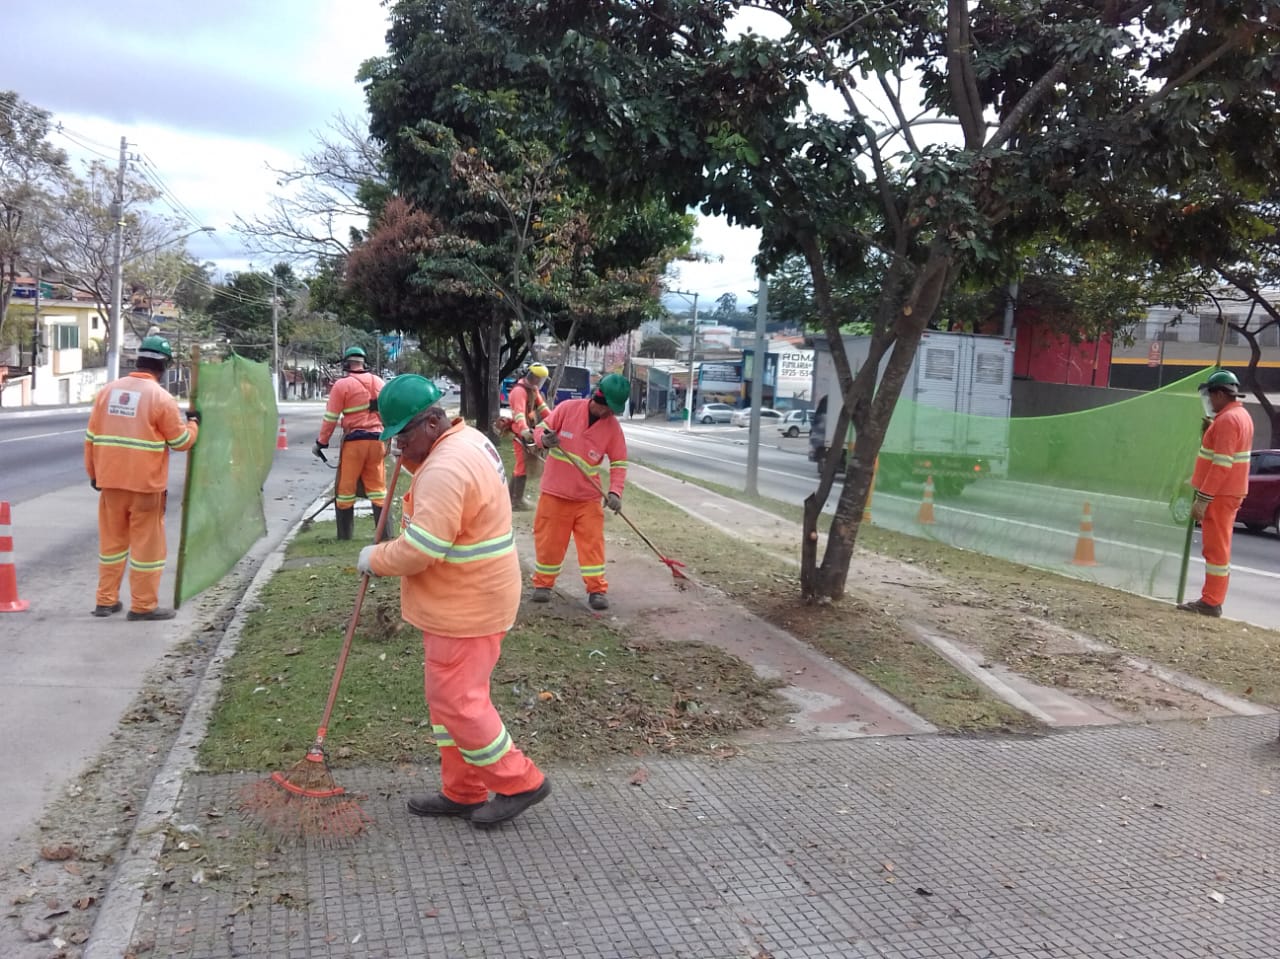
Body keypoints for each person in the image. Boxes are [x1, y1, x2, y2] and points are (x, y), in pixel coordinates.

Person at [357, 375, 550, 828]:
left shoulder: (445, 468)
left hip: (467, 605)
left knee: (460, 702)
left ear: (430, 422)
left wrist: (375, 558)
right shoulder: (467, 440)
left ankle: (520, 781)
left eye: (402, 436)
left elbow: (421, 549)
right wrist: (409, 459)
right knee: (447, 703)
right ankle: (463, 790)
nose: (398, 447)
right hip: (465, 599)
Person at [84, 335, 199, 621]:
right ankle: (143, 606)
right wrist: (195, 424)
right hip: (145, 487)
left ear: (138, 361)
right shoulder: (161, 398)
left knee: (112, 545)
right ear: (164, 366)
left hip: (110, 482)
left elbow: (91, 439)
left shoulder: (107, 392)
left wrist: (94, 474)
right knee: (147, 549)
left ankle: (105, 601)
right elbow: (181, 441)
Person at [530, 373, 630, 611]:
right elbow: (539, 431)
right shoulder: (567, 409)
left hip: (588, 498)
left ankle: (596, 590)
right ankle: (543, 585)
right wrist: (545, 439)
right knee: (549, 544)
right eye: (608, 408)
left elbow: (619, 462)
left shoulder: (613, 429)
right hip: (555, 493)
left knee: (592, 546)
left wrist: (615, 492)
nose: (609, 414)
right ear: (597, 397)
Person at [1178, 369, 1255, 617]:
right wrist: (1210, 433)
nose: (1209, 401)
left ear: (1221, 394)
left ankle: (1211, 602)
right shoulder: (1239, 415)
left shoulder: (1228, 421)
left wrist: (1203, 498)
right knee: (1218, 547)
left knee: (1215, 548)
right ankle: (1212, 599)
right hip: (1229, 492)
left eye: (1212, 395)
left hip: (1221, 495)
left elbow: (1222, 464)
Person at [314, 346, 387, 541]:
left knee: (345, 490)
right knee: (378, 488)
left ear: (346, 363)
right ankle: (385, 533)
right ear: (364, 362)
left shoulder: (342, 385)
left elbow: (330, 418)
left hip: (355, 442)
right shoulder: (379, 382)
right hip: (377, 441)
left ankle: (345, 534)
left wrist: (321, 443)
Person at [506, 363, 552, 511]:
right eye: (539, 379)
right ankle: (516, 501)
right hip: (520, 433)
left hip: (528, 431)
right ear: (533, 377)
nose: (540, 382)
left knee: (522, 465)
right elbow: (519, 414)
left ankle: (510, 498)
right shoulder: (519, 392)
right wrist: (525, 430)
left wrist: (555, 421)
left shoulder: (533, 390)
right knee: (522, 465)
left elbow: (543, 408)